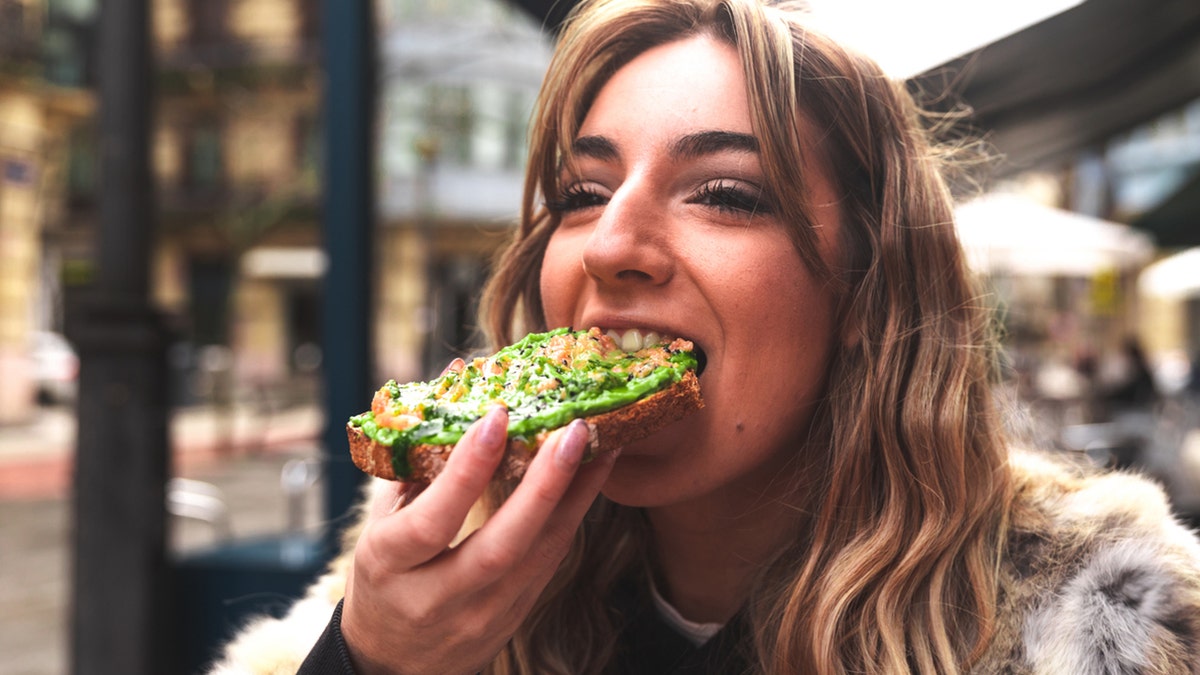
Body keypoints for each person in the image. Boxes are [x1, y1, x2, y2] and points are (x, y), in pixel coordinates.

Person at [210, 1, 1200, 673]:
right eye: (581, 193)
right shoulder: (419, 592)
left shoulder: (1100, 618)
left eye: (725, 194)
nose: (612, 246)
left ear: (869, 295)